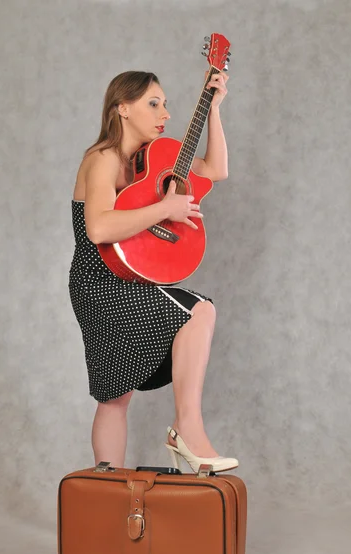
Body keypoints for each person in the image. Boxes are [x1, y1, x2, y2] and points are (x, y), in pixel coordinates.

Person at [69, 70, 238, 473]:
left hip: (129, 279)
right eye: (153, 103)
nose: (165, 112)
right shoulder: (103, 158)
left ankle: (105, 492)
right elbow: (99, 228)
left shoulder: (153, 158)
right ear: (122, 108)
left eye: (164, 103)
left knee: (115, 398)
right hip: (99, 283)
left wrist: (213, 109)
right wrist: (166, 208)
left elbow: (216, 170)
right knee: (200, 311)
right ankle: (187, 428)